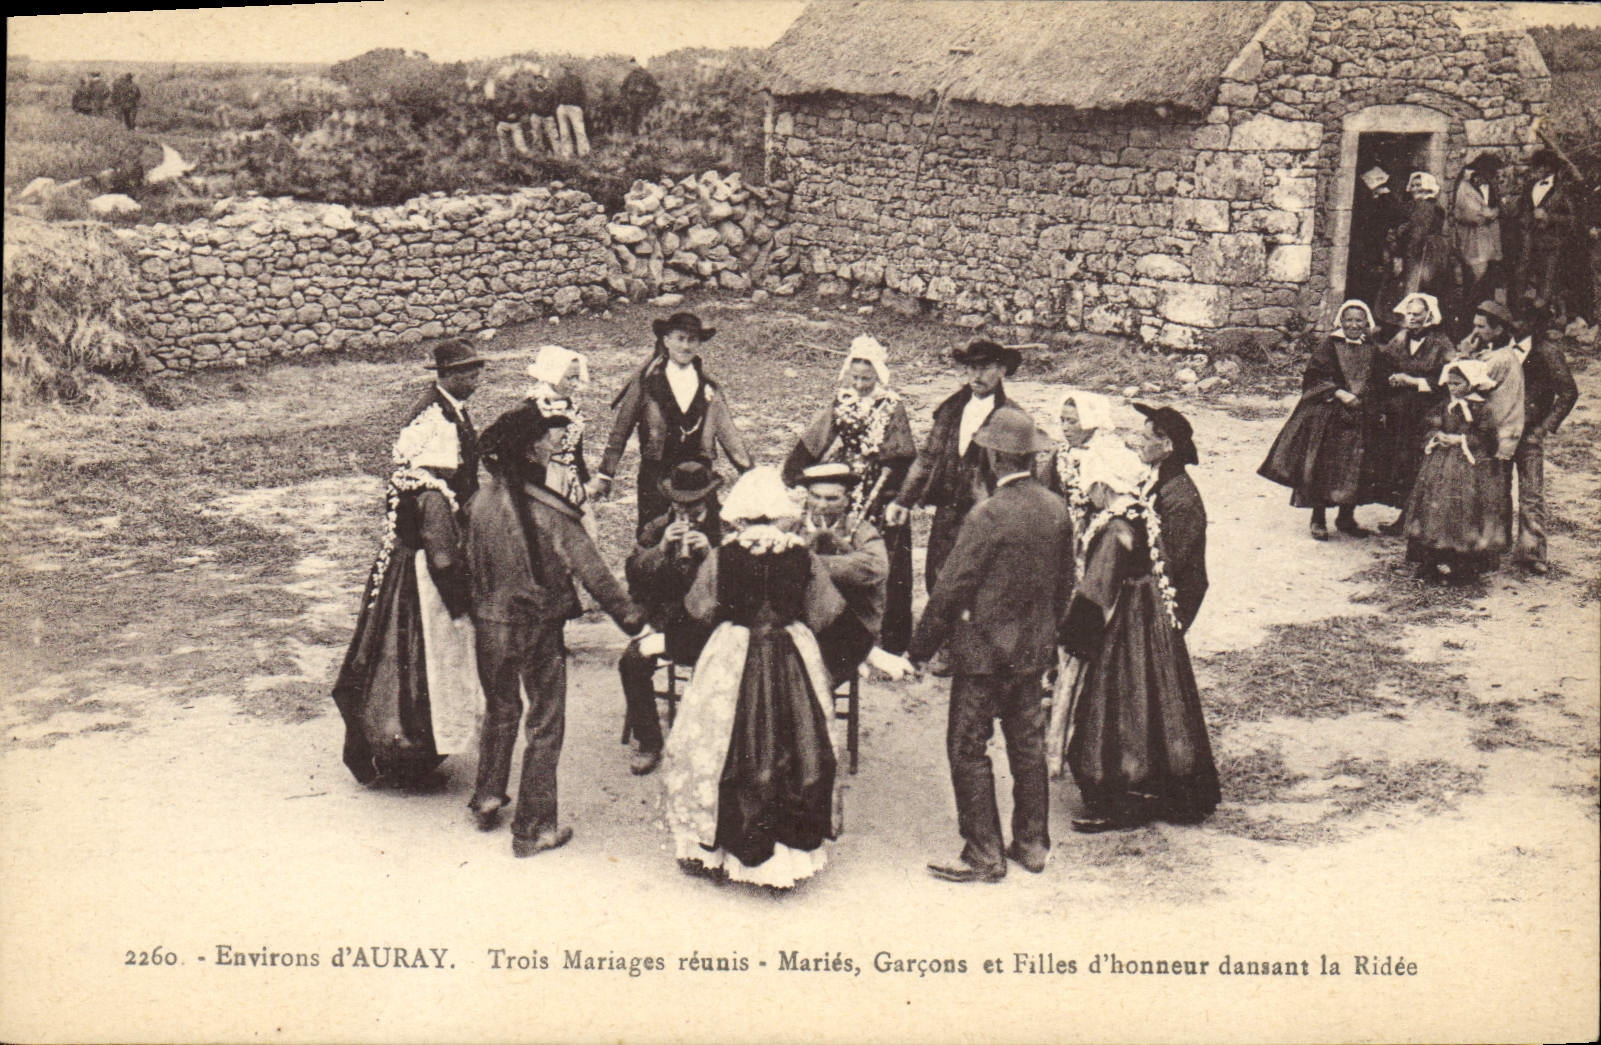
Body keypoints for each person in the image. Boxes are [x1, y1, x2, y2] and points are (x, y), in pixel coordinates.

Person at [464, 406, 647, 857]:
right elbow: (595, 574)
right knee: (544, 723)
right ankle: (533, 828)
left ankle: (487, 798)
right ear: (530, 450)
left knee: (500, 708)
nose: (554, 444)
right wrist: (633, 620)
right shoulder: (551, 510)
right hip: (536, 628)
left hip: (488, 625)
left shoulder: (479, 501)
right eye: (547, 438)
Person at [661, 467, 847, 888]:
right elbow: (826, 611)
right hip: (790, 655)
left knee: (720, 746)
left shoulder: (724, 555)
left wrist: (675, 643)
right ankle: (787, 856)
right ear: (780, 510)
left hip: (733, 654)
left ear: (740, 512)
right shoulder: (801, 554)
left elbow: (698, 609)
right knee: (800, 747)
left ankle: (721, 848)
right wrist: (857, 654)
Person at [909, 407, 1072, 883]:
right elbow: (1065, 584)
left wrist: (919, 649)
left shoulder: (988, 515)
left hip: (982, 655)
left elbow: (951, 587)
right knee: (1028, 745)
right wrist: (1048, 637)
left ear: (996, 457)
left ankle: (984, 853)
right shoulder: (1056, 508)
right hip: (1031, 653)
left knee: (967, 747)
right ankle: (1033, 844)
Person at [329, 373, 484, 792]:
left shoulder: (404, 481)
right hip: (422, 589)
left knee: (387, 662)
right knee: (422, 668)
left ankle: (389, 752)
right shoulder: (433, 496)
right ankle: (413, 756)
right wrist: (461, 605)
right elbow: (442, 559)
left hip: (396, 578)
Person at [1061, 440, 1220, 832]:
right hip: (1152, 617)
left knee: (1121, 701)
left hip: (1127, 621)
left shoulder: (1116, 528)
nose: (1089, 496)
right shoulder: (1141, 513)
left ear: (1104, 486)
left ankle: (1119, 794)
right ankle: (1162, 786)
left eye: (1092, 487)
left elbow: (1098, 587)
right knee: (1158, 697)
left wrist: (1075, 635)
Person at [782, 335, 918, 656]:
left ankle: (891, 638)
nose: (859, 384)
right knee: (836, 547)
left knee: (883, 555)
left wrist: (895, 492)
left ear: (878, 376)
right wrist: (794, 469)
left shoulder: (891, 406)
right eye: (854, 377)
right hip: (845, 483)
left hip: (881, 486)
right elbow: (816, 437)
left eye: (866, 379)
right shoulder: (842, 402)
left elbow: (902, 454)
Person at [885, 339, 1023, 597]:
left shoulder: (1013, 417)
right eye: (971, 368)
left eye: (985, 368)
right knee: (938, 581)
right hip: (947, 512)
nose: (977, 375)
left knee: (979, 584)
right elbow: (928, 458)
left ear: (1002, 370)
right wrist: (903, 500)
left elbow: (1020, 477)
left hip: (988, 516)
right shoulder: (951, 409)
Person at [596, 312, 753, 537]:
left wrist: (750, 473)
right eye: (680, 338)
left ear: (699, 343)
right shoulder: (646, 383)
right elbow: (621, 431)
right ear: (666, 340)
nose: (685, 346)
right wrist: (605, 474)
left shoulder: (709, 386)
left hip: (698, 476)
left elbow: (729, 434)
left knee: (704, 535)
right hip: (656, 474)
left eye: (692, 340)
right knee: (654, 535)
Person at [617, 460, 725, 776]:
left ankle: (720, 743)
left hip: (712, 625)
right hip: (667, 623)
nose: (685, 511)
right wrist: (662, 548)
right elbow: (634, 576)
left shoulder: (725, 528)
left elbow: (739, 587)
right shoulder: (656, 528)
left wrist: (712, 555)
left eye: (693, 505)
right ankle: (649, 741)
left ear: (707, 499)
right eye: (679, 504)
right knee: (631, 661)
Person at [1258, 300, 1391, 540]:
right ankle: (1318, 518)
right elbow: (1314, 378)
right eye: (1348, 320)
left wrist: (1370, 402)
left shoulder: (1373, 350)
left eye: (1359, 320)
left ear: (1366, 323)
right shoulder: (1328, 346)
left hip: (1361, 416)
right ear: (1341, 322)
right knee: (1324, 467)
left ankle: (1346, 518)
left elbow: (1381, 382)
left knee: (1355, 468)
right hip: (1330, 415)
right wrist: (1339, 393)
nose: (1353, 325)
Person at [1403, 359, 1512, 583]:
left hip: (1470, 468)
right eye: (1450, 384)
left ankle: (1463, 565)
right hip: (1440, 465)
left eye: (1458, 384)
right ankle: (1431, 560)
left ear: (1472, 383)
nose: (1452, 388)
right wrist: (1437, 435)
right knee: (1435, 508)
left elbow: (1488, 438)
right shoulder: (1444, 405)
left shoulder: (1482, 408)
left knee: (1465, 511)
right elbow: (1429, 424)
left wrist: (1461, 439)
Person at [798, 462, 890, 688]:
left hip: (846, 630)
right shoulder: (792, 527)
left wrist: (811, 563)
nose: (822, 505)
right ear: (807, 496)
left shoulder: (860, 530)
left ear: (846, 500)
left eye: (832, 499)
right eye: (816, 496)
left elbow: (876, 568)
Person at [1377, 293, 1454, 533]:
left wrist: (1411, 381)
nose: (1411, 318)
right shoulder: (1400, 338)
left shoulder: (1441, 343)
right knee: (1399, 463)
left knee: (1418, 464)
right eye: (1408, 313)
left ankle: (1412, 522)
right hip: (1399, 414)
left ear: (1429, 316)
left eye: (1417, 314)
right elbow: (1384, 365)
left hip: (1426, 413)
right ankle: (1403, 517)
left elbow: (1447, 381)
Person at [1509, 320, 1578, 575]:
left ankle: (1532, 552)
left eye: (1521, 317)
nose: (1515, 323)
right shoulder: (1497, 345)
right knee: (1496, 488)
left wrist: (1545, 427)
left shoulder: (1547, 351)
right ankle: (1496, 545)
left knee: (1531, 492)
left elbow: (1569, 392)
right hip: (1500, 430)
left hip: (1530, 432)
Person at [1133, 403, 1208, 633]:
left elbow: (1170, 561)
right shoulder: (1156, 476)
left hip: (1173, 598)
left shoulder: (1181, 498)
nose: (1139, 443)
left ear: (1167, 445)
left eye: (1146, 438)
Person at [521, 344, 602, 522]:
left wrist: (584, 480)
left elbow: (576, 451)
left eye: (577, 377)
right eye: (569, 378)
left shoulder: (572, 407)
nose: (575, 383)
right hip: (543, 481)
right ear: (552, 375)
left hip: (570, 478)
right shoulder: (532, 408)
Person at [406, 340, 485, 505]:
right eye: (472, 377)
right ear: (449, 375)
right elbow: (434, 478)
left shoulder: (453, 404)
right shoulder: (430, 413)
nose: (476, 384)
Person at [1378, 172, 1453, 324]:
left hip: (1422, 253)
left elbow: (1418, 234)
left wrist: (1400, 253)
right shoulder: (1417, 205)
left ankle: (1408, 323)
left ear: (1428, 187)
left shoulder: (1425, 206)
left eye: (1419, 185)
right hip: (1423, 251)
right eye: (1413, 185)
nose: (1415, 188)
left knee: (1413, 287)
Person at [1517, 150, 1581, 324]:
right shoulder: (1530, 186)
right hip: (1529, 243)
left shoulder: (1562, 190)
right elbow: (1523, 210)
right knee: (1526, 279)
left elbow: (1572, 219)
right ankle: (1528, 319)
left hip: (1551, 244)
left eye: (1539, 167)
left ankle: (1547, 321)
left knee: (1548, 282)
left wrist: (1549, 217)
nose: (1535, 171)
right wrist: (1526, 220)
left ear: (1548, 168)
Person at [1049, 389, 1122, 539]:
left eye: (1072, 422)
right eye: (1062, 420)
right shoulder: (1061, 453)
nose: (1065, 428)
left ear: (1090, 422)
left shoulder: (1110, 452)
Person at [1453, 155, 1504, 324]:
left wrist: (1492, 212)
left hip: (1490, 242)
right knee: (1474, 282)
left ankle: (1486, 320)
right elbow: (1470, 214)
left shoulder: (1490, 186)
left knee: (1488, 284)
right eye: (1490, 173)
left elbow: (1497, 208)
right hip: (1473, 242)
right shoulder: (1464, 186)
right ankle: (1468, 321)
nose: (1492, 176)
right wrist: (1489, 214)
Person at [1348, 165, 1404, 310]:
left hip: (1378, 247)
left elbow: (1393, 220)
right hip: (1366, 246)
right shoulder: (1368, 199)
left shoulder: (1387, 200)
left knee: (1374, 283)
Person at [553, 65, 590, 159]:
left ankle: (584, 153)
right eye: (565, 68)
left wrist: (582, 107)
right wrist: (558, 106)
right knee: (564, 132)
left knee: (579, 131)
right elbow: (556, 95)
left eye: (569, 68)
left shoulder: (577, 80)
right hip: (562, 107)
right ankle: (567, 154)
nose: (567, 70)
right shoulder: (560, 81)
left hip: (574, 107)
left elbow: (583, 94)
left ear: (572, 69)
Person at [618, 58, 661, 136]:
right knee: (632, 117)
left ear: (637, 64)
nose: (631, 66)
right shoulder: (630, 75)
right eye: (631, 65)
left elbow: (656, 88)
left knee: (642, 117)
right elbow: (623, 87)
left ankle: (645, 135)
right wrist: (625, 97)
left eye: (633, 64)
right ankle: (634, 135)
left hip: (644, 99)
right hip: (632, 99)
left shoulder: (646, 74)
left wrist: (650, 97)